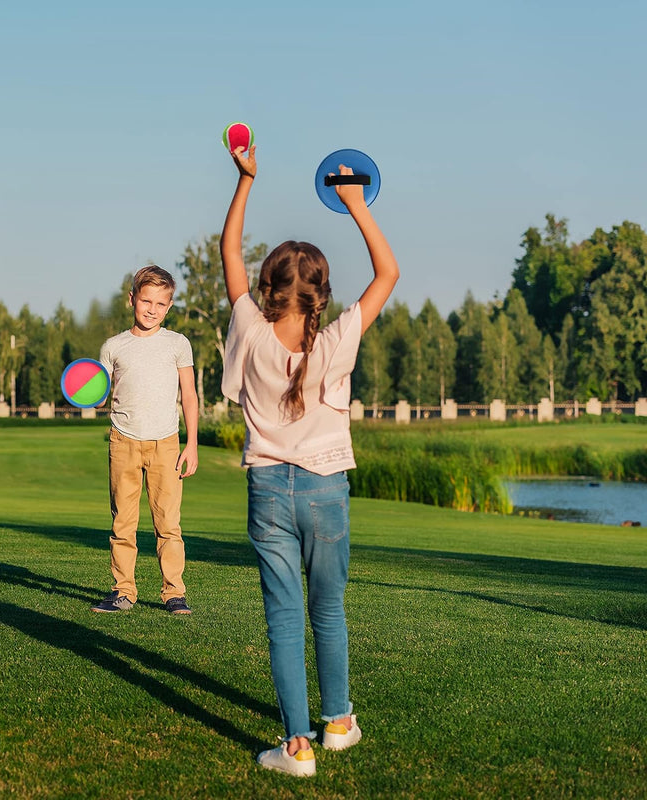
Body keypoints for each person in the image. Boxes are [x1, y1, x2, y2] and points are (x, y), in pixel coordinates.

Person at [220, 145, 399, 776]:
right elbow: (388, 274)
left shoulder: (247, 325)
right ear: (321, 291)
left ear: (268, 289)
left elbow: (229, 257)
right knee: (328, 608)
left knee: (284, 617)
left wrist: (245, 181)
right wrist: (355, 203)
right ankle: (339, 723)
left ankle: (295, 747)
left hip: (269, 487)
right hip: (328, 490)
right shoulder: (340, 336)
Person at [92, 265, 199, 615]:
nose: (152, 309)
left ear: (169, 307)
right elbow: (97, 393)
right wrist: (86, 394)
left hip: (166, 443)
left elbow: (190, 396)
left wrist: (192, 444)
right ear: (132, 299)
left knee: (168, 523)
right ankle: (123, 592)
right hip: (123, 441)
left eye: (161, 303)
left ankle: (174, 594)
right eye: (146, 300)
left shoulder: (178, 344)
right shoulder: (114, 347)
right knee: (123, 522)